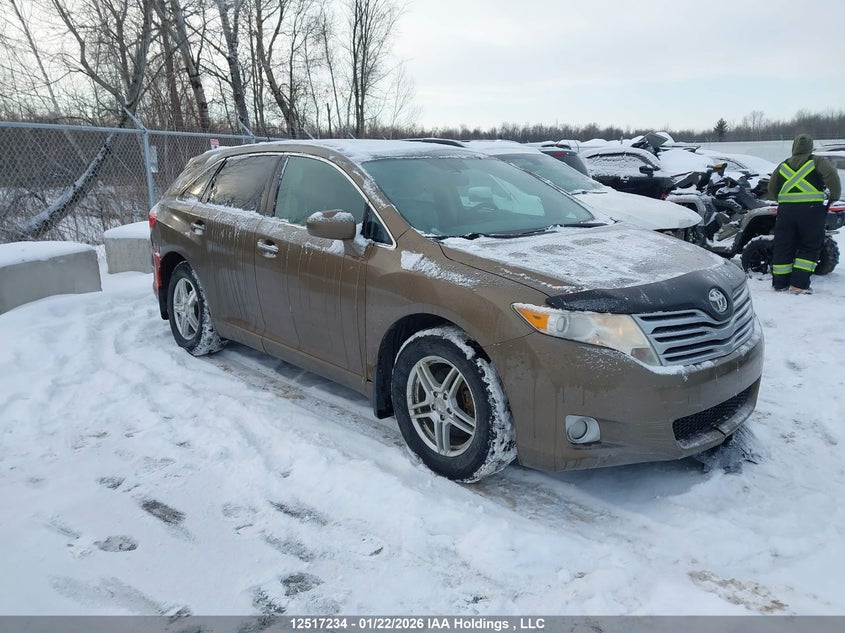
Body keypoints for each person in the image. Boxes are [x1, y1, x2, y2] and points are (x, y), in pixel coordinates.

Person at [767, 133, 841, 294]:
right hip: (811, 211)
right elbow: (832, 177)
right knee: (809, 245)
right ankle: (799, 285)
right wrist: (834, 196)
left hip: (786, 212)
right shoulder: (817, 161)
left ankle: (780, 284)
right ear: (810, 147)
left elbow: (771, 190)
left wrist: (784, 200)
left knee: (783, 245)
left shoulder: (783, 165)